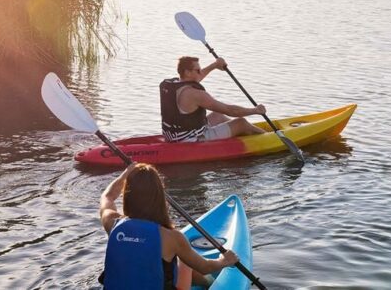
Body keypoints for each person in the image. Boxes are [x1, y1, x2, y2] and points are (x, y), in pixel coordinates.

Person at [99, 163, 239, 289]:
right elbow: (205, 267)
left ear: (127, 195)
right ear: (159, 196)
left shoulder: (112, 223)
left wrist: (126, 174)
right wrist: (224, 261)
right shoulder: (172, 238)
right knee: (185, 261)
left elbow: (107, 196)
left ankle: (205, 282)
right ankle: (208, 283)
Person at [160, 56, 266, 143]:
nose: (200, 72)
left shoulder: (171, 84)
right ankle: (266, 137)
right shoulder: (195, 94)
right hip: (190, 139)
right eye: (197, 70)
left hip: (173, 135)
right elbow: (230, 110)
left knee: (217, 115)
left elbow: (197, 78)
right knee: (241, 123)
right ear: (187, 72)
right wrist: (255, 110)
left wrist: (215, 65)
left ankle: (240, 133)